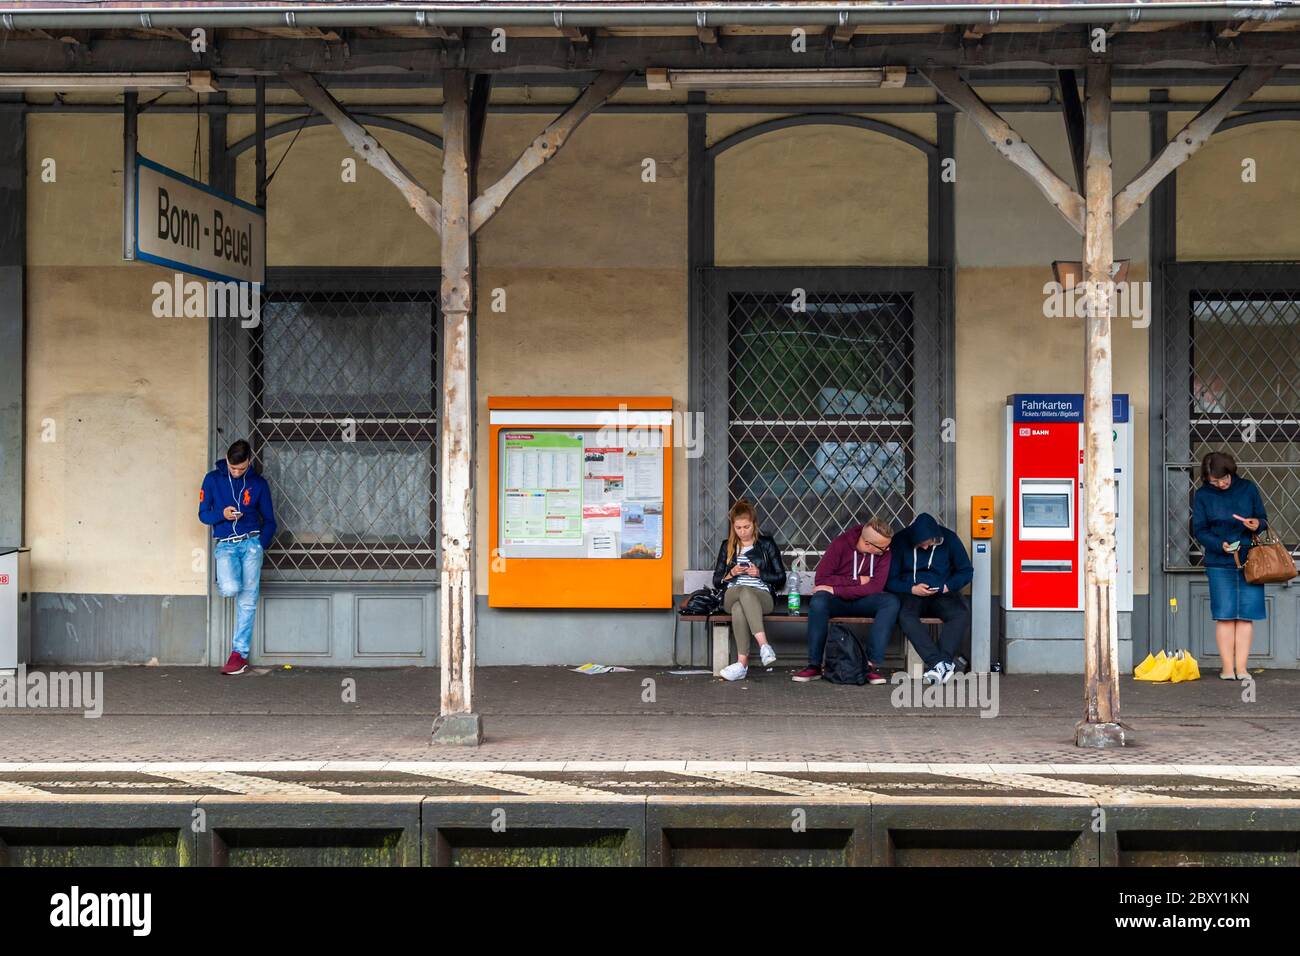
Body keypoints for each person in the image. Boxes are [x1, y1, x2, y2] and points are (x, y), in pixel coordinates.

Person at [199, 440, 278, 676]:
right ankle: (231, 582)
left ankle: (238, 655)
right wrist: (221, 515)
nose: (236, 472)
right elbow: (203, 515)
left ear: (249, 462)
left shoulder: (258, 484)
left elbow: (270, 521)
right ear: (227, 459)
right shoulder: (212, 479)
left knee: (247, 601)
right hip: (226, 546)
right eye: (233, 468)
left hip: (251, 544)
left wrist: (259, 545)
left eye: (241, 469)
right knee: (231, 588)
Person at [792, 517, 898, 684]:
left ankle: (869, 665)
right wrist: (856, 581)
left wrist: (836, 588)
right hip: (838, 601)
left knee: (890, 601)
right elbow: (822, 579)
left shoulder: (884, 552)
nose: (887, 550)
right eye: (883, 548)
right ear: (869, 544)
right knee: (819, 601)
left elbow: (875, 587)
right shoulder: (841, 544)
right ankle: (814, 665)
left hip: (864, 600)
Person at [1192, 451, 1268, 680]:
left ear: (1230, 471)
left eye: (1223, 478)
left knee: (1246, 615)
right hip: (1219, 559)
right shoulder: (1203, 495)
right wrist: (1219, 544)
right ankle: (1227, 668)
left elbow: (1263, 519)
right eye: (1214, 481)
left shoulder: (1247, 488)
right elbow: (1200, 529)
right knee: (1225, 615)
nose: (1220, 484)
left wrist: (1257, 524)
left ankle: (1242, 668)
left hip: (1250, 560)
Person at [887, 512, 972, 686]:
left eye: (929, 543)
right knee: (905, 616)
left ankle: (943, 663)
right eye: (921, 545)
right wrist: (911, 588)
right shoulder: (900, 541)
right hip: (911, 593)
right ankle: (938, 663)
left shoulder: (949, 539)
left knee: (960, 613)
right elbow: (889, 579)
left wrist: (947, 586)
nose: (925, 548)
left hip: (942, 592)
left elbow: (966, 571)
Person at [712, 500, 786, 681]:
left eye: (746, 527)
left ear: (754, 524)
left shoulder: (766, 544)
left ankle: (741, 665)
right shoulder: (727, 546)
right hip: (731, 594)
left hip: (762, 597)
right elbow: (716, 581)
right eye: (738, 528)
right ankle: (764, 646)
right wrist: (731, 573)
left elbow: (781, 578)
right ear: (733, 527)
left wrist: (759, 573)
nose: (743, 532)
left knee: (740, 607)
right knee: (742, 591)